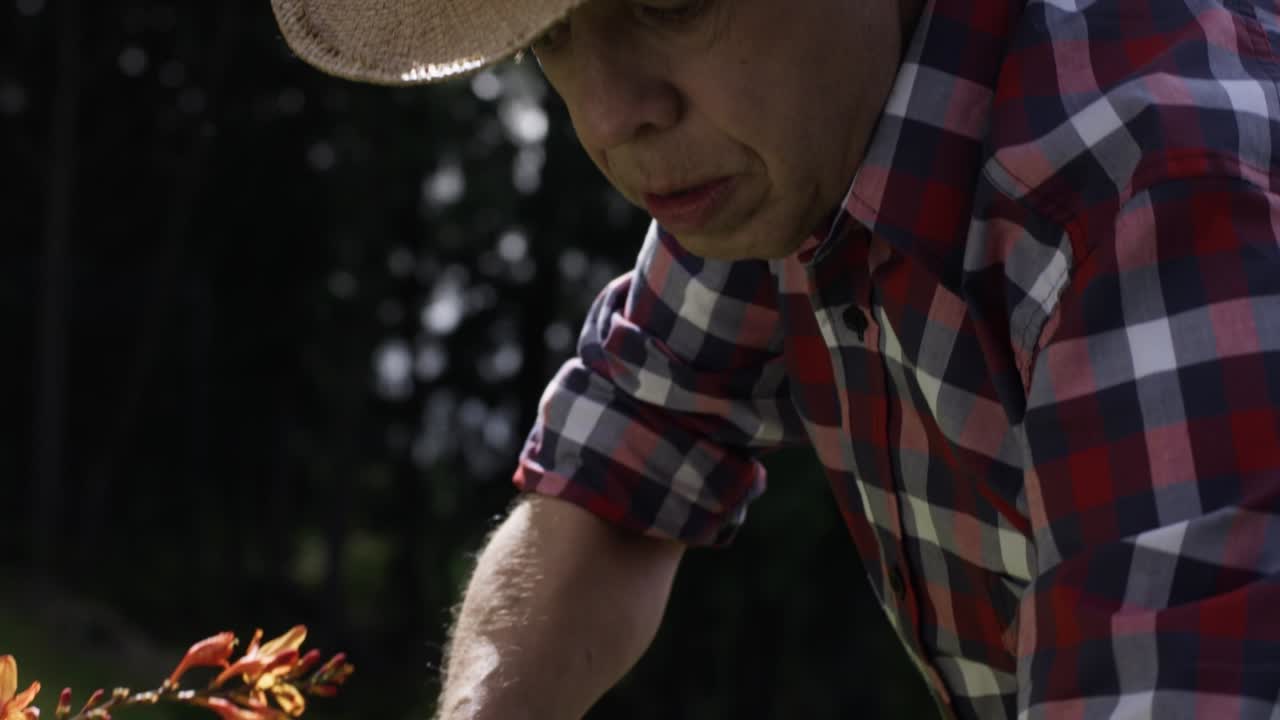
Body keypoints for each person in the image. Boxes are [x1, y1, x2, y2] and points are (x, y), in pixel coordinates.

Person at [271, 0, 1280, 717]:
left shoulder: (1152, 198)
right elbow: (621, 461)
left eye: (671, 2)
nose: (611, 116)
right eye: (552, 36)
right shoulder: (779, 156)